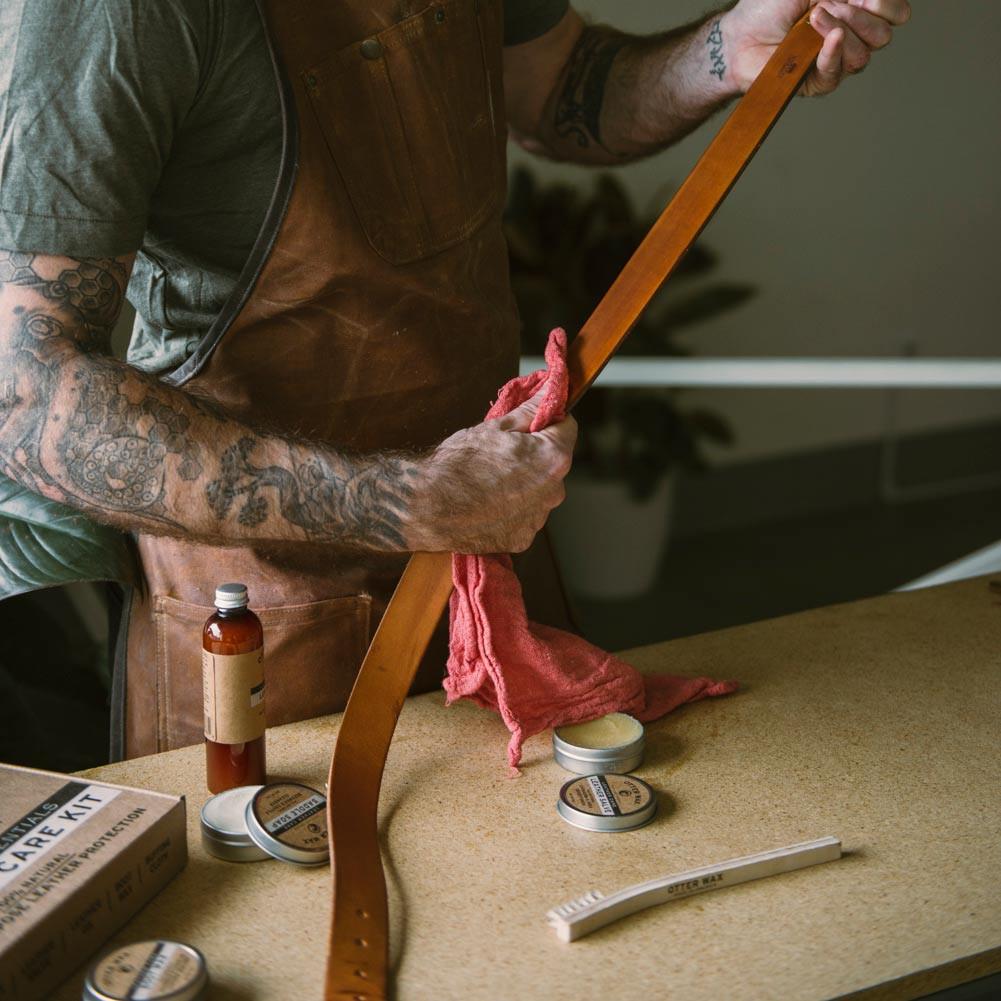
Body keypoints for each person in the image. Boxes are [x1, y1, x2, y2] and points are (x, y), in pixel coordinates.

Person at [0, 0, 910, 759]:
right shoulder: (108, 15)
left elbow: (556, 88)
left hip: (489, 541)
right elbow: (25, 397)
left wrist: (725, 49)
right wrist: (409, 499)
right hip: (264, 614)